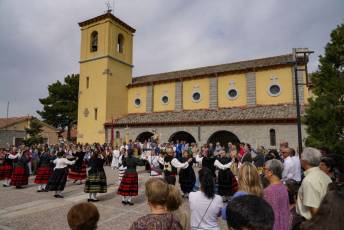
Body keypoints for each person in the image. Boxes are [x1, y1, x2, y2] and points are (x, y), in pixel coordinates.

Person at [296, 147, 332, 220]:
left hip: (312, 223)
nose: (299, 160)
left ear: (305, 161)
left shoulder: (309, 180)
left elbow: (314, 210)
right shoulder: (324, 176)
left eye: (301, 158)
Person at [263, 159, 289, 230]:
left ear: (270, 172)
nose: (263, 171)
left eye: (265, 169)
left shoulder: (268, 191)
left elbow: (268, 215)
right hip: (284, 225)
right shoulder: (283, 187)